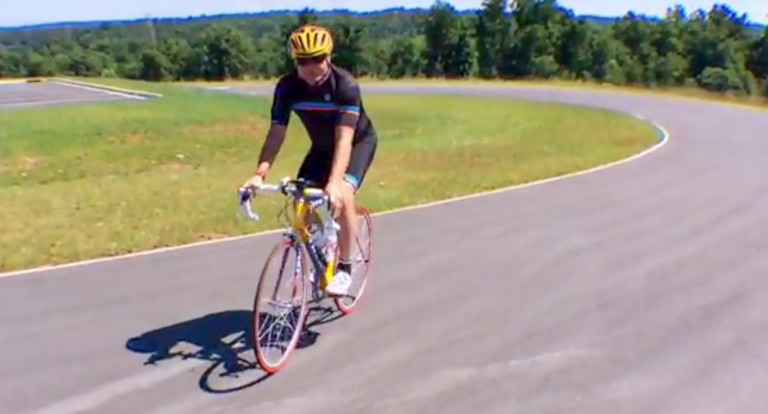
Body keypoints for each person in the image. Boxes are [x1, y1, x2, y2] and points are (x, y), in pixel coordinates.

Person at [242, 24, 378, 296]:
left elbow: (344, 139)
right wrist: (259, 174)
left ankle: (345, 267)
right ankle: (323, 252)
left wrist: (336, 182)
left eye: (317, 59)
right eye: (304, 61)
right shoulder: (287, 87)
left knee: (343, 195)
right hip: (321, 148)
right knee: (300, 200)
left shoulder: (345, 86)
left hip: (356, 143)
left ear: (329, 57)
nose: (311, 67)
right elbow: (276, 133)